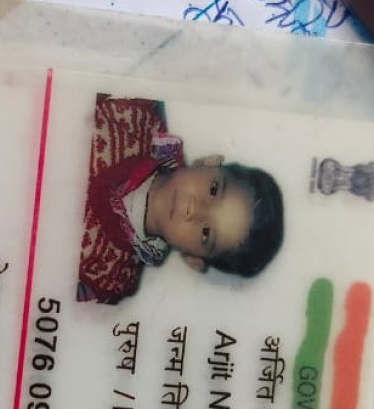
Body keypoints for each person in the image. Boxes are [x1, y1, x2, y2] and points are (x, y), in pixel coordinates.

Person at [77, 94, 284, 305]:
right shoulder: (137, 117)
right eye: (213, 190)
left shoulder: (110, 277)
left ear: (193, 259)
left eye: (206, 233)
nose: (193, 209)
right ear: (208, 162)